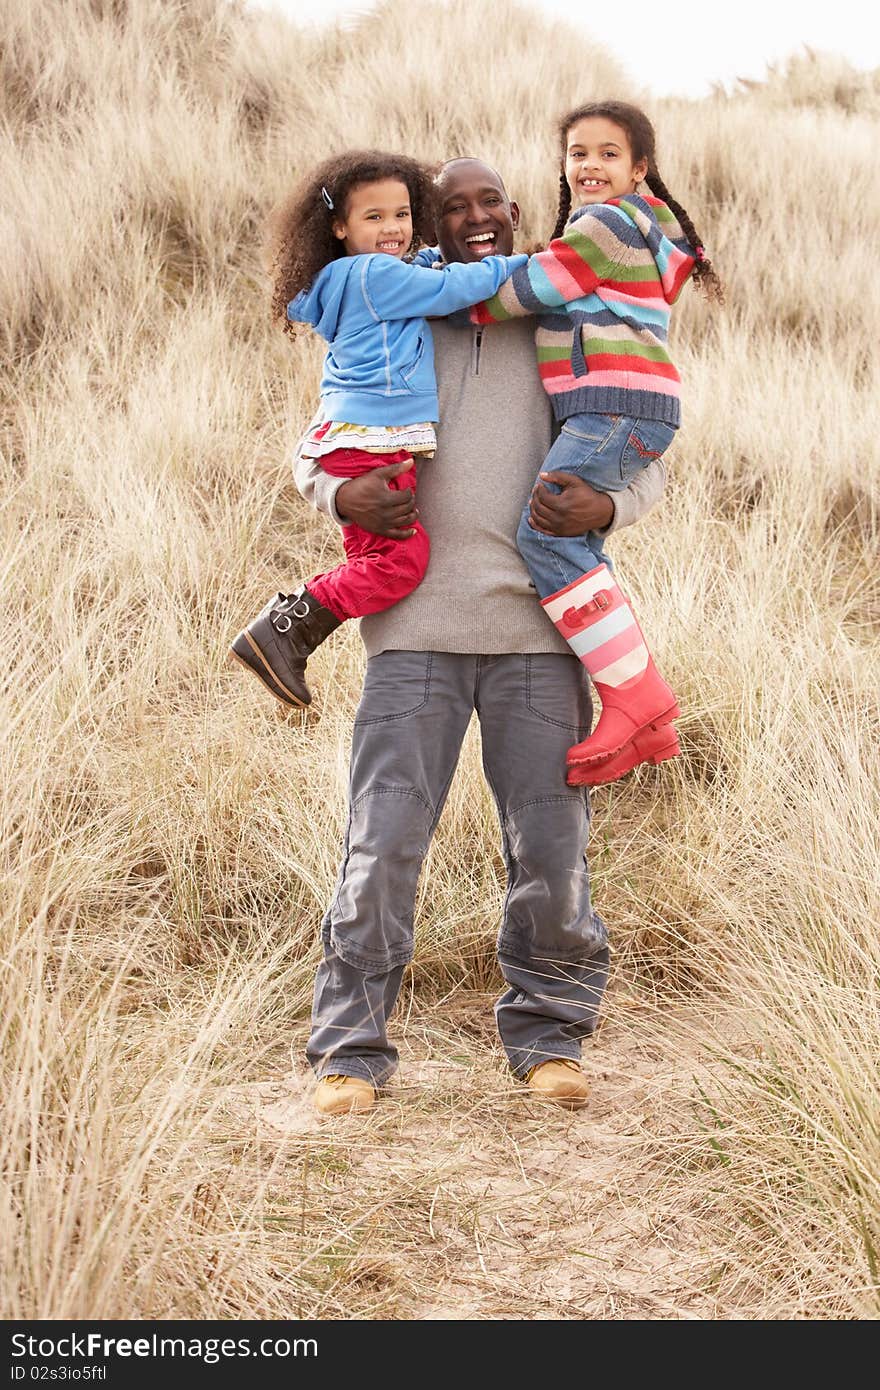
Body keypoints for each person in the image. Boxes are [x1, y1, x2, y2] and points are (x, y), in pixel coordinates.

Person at [294, 158, 667, 1117]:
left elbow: (633, 438)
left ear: (514, 214)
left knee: (551, 848)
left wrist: (614, 503)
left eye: (489, 202)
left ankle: (549, 1037)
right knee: (382, 843)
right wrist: (339, 492)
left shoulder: (560, 320)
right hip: (412, 633)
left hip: (540, 636)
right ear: (430, 225)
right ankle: (350, 1052)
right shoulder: (394, 309)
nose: (474, 219)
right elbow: (318, 444)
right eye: (450, 207)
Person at [472, 102, 722, 786]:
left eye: (608, 154)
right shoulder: (623, 226)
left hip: (613, 403)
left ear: (639, 169)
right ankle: (648, 727)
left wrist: (458, 292)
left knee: (547, 538)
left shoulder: (607, 224)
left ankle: (634, 696)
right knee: (569, 546)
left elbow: (532, 285)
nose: (589, 165)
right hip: (625, 404)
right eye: (578, 153)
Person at [229, 150, 526, 709]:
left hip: (356, 441)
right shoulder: (372, 275)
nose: (392, 229)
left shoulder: (349, 277)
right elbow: (448, 290)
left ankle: (287, 633)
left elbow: (420, 270)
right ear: (339, 226)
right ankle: (284, 631)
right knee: (397, 564)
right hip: (370, 445)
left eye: (402, 214)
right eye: (374, 218)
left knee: (377, 561)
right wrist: (523, 265)